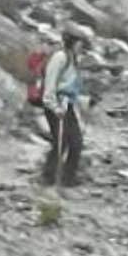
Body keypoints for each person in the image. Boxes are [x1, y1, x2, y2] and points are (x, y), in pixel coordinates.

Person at [41, 28, 90, 188]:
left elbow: (72, 87)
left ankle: (68, 178)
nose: (82, 47)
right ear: (72, 43)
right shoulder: (60, 58)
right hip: (56, 104)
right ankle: (49, 177)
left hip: (67, 104)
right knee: (61, 142)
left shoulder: (73, 60)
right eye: (80, 44)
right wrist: (54, 106)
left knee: (76, 142)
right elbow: (50, 83)